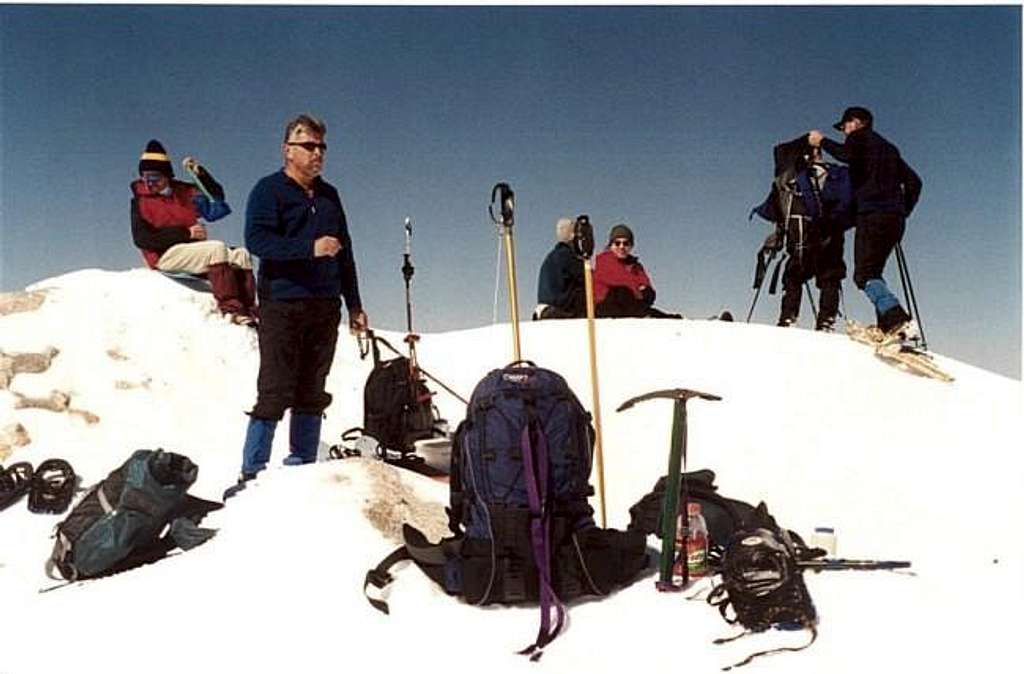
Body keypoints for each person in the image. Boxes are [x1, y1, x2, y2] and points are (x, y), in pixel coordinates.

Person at [225, 114, 368, 497]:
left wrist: (354, 305)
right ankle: (251, 475)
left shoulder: (330, 196)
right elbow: (257, 241)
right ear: (288, 150)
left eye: (322, 146)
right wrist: (309, 248)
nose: (318, 153)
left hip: (324, 306)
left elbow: (346, 252)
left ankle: (302, 468)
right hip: (282, 303)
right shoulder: (268, 191)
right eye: (309, 146)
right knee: (274, 388)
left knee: (312, 389)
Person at [809, 107, 922, 338]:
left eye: (844, 126)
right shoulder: (890, 149)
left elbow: (845, 154)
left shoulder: (860, 138)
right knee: (875, 272)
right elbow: (915, 183)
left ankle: (898, 320)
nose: (844, 132)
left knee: (864, 274)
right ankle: (888, 328)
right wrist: (901, 211)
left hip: (872, 216)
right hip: (895, 220)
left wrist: (821, 141)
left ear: (857, 122)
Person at [130, 139, 258, 324]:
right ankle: (231, 310)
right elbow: (142, 239)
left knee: (241, 254)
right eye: (145, 178)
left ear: (167, 176)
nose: (149, 184)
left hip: (191, 253)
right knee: (216, 248)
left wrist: (202, 175)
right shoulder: (140, 201)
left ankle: (250, 310)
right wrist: (186, 234)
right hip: (163, 255)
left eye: (154, 178)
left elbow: (216, 198)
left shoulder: (184, 192)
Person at [754, 140, 853, 331]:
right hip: (830, 237)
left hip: (800, 240)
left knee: (793, 276)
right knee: (830, 277)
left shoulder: (789, 179)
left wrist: (778, 236)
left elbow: (779, 211)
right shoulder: (837, 174)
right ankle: (826, 321)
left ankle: (787, 318)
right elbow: (847, 204)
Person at [593, 224, 678, 318]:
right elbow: (619, 281)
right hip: (606, 306)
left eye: (626, 243)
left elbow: (646, 285)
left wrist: (648, 292)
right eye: (617, 243)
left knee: (633, 299)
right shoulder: (604, 259)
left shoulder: (636, 266)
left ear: (631, 246)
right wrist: (639, 291)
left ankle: (654, 316)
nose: (621, 247)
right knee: (621, 292)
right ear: (611, 245)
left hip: (631, 305)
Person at [534, 217, 585, 320]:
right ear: (573, 237)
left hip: (544, 309)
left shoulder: (552, 256)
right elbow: (587, 279)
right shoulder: (567, 256)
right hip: (557, 311)